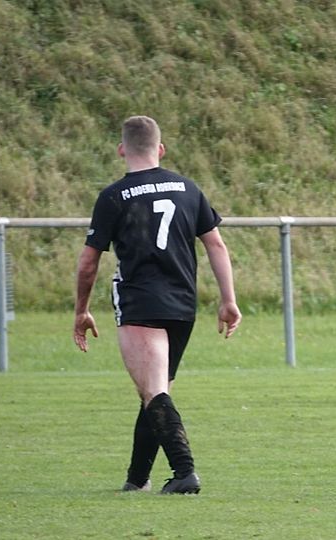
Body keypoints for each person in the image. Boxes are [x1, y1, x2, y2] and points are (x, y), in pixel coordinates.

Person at [73, 115, 242, 494]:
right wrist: (228, 300)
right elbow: (216, 244)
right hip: (183, 304)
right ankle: (137, 480)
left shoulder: (114, 196)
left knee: (155, 393)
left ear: (122, 149)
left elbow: (88, 262)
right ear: (160, 149)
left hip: (140, 303)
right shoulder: (188, 188)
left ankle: (185, 473)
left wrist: (81, 310)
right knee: (153, 390)